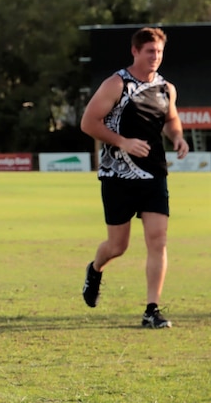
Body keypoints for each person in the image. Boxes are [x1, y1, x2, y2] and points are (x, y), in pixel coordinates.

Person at [80, 26, 189, 329]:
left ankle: (151, 309)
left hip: (154, 172)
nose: (156, 57)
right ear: (135, 52)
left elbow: (171, 118)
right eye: (150, 51)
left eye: (159, 52)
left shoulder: (167, 88)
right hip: (118, 173)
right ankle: (95, 268)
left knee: (158, 240)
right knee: (118, 246)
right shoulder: (117, 84)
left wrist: (177, 137)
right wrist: (123, 142)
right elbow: (88, 122)